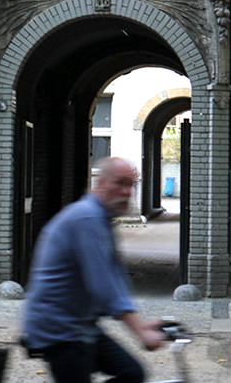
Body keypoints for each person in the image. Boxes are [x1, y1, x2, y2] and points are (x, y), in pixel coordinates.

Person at [21, 157, 166, 383]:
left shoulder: (100, 218)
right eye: (120, 183)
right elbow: (103, 283)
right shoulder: (87, 218)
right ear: (100, 184)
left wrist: (142, 322)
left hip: (80, 325)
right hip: (58, 329)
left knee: (132, 372)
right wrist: (140, 331)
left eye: (131, 185)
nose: (127, 191)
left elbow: (116, 275)